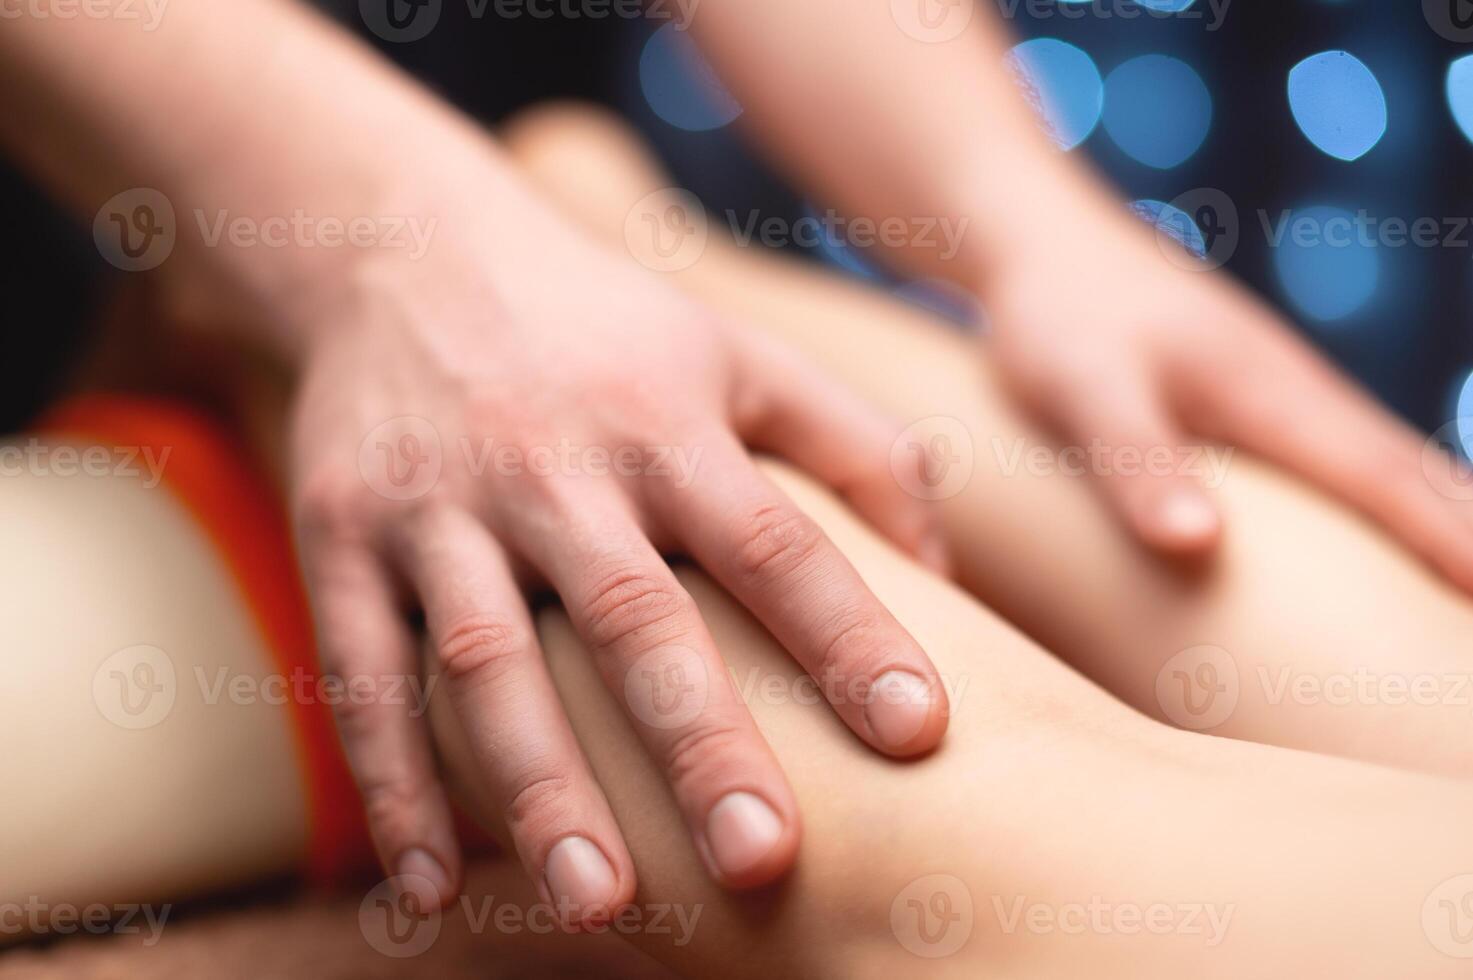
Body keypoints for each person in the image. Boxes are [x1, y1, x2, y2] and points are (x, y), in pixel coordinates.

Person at [3, 0, 1470, 921]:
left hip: (519, 274)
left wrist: (1025, 223)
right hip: (165, 286)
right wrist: (374, 240)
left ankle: (567, 203)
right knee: (979, 840)